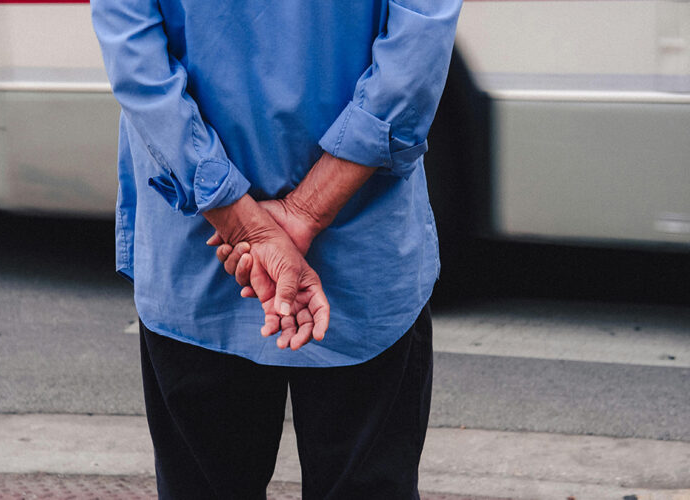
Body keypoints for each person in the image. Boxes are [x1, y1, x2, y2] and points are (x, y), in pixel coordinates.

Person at [91, 1, 461, 498]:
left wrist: (241, 218)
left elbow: (137, 59)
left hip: (201, 257)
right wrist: (306, 211)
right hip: (361, 246)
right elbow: (418, 44)